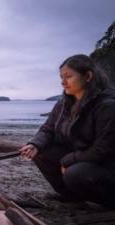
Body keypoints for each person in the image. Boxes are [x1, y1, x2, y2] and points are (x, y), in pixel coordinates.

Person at [20, 54, 115, 208]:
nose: (63, 82)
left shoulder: (107, 106)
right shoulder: (65, 102)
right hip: (82, 154)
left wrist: (68, 160)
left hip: (106, 164)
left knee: (74, 173)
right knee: (40, 151)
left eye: (68, 76)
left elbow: (102, 150)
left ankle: (108, 202)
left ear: (88, 76)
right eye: (61, 77)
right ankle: (71, 196)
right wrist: (35, 144)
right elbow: (48, 128)